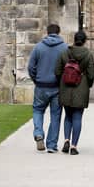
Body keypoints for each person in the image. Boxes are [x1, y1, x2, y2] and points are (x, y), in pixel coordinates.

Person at [27, 24, 68, 153]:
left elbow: (31, 67)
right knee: (55, 116)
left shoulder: (38, 47)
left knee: (38, 110)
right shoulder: (64, 48)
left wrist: (36, 79)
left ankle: (39, 133)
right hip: (57, 86)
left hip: (41, 85)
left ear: (47, 32)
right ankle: (51, 145)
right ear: (59, 32)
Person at [55, 30, 94, 155]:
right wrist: (87, 85)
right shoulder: (88, 54)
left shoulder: (64, 52)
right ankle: (73, 146)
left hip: (66, 87)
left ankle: (66, 139)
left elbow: (57, 71)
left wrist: (63, 80)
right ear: (85, 41)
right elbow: (91, 74)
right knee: (77, 117)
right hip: (81, 87)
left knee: (68, 116)